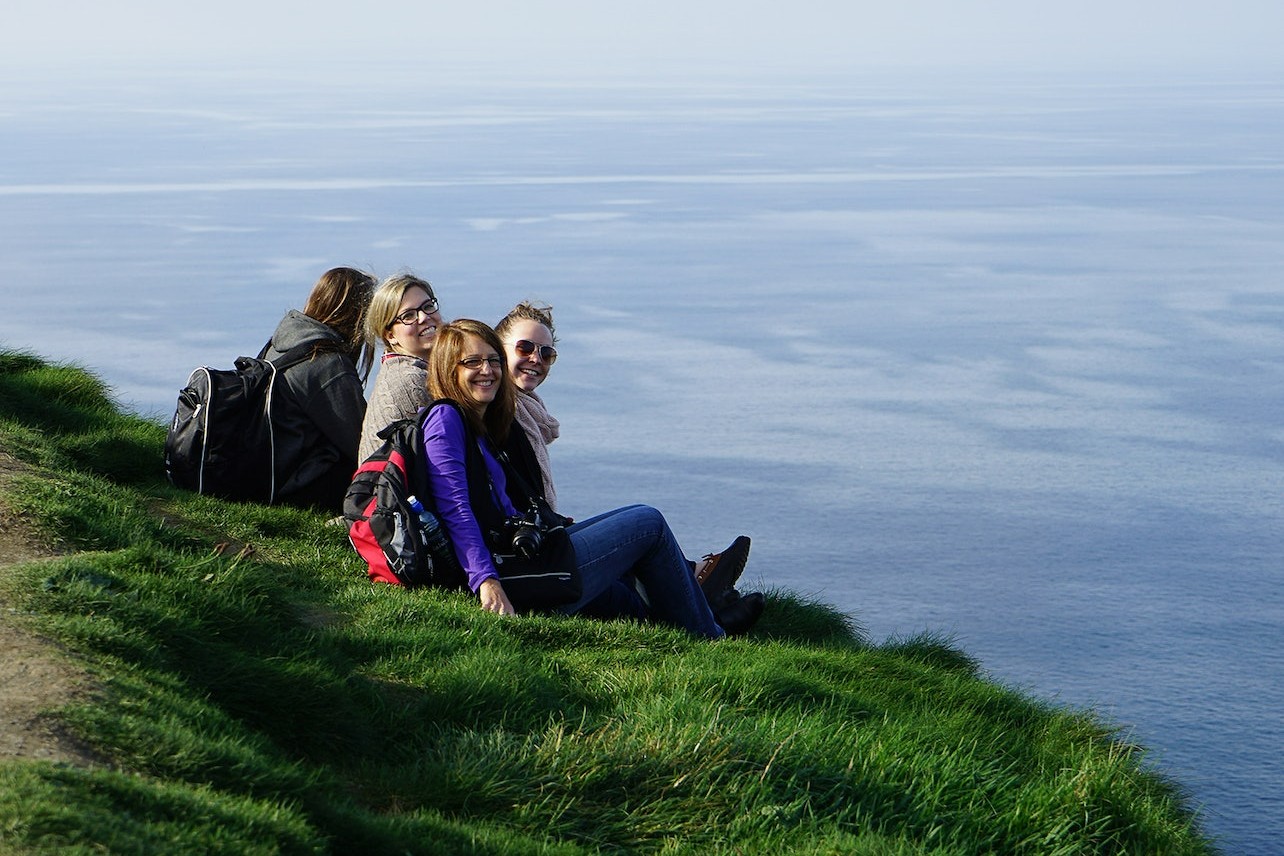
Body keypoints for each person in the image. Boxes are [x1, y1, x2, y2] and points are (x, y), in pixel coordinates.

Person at [421, 319, 742, 638]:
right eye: (472, 362)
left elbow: (502, 507)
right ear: (449, 369)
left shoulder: (479, 423)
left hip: (518, 560)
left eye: (493, 360)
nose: (487, 370)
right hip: (512, 578)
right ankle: (709, 636)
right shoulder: (445, 418)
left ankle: (707, 617)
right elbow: (456, 510)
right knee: (648, 523)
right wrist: (486, 581)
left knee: (624, 553)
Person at [493, 302, 756, 605]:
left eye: (546, 354)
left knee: (629, 538)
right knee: (646, 524)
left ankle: (708, 595)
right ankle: (707, 605)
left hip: (539, 536)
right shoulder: (502, 413)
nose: (535, 359)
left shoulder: (526, 411)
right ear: (498, 349)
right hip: (526, 556)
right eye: (525, 348)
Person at [261, 266, 375, 511]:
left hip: (270, 465)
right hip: (293, 484)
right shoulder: (328, 363)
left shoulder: (284, 341)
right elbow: (362, 445)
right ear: (358, 317)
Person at [357, 273, 444, 460]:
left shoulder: (404, 368)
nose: (423, 317)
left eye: (428, 306)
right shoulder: (410, 380)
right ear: (390, 335)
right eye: (408, 316)